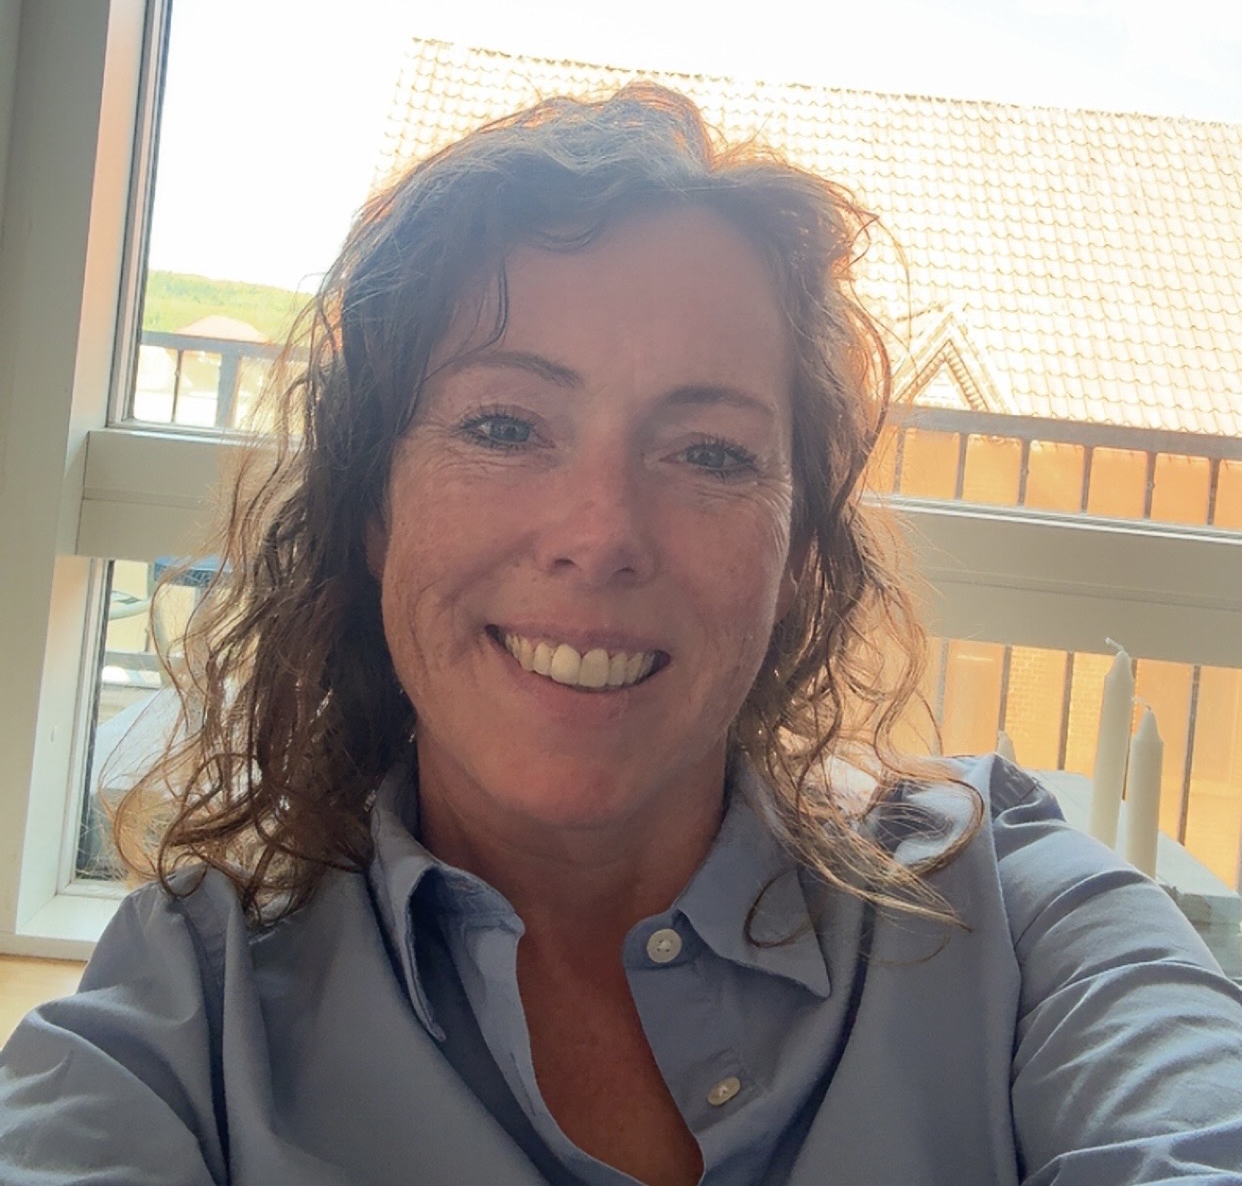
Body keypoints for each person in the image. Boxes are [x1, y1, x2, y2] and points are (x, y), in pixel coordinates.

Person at [2, 84, 1240, 1185]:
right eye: (503, 428)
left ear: (798, 556)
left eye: (710, 453)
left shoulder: (1014, 911)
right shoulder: (190, 1013)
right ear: (374, 510)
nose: (601, 535)